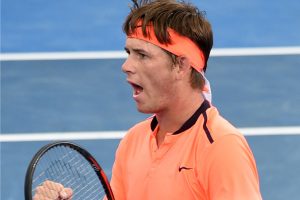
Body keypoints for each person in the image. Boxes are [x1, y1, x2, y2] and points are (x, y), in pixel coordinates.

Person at [33, 0, 262, 199]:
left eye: (142, 55)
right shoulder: (133, 141)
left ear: (181, 65)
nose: (126, 66)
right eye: (128, 53)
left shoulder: (221, 147)